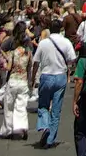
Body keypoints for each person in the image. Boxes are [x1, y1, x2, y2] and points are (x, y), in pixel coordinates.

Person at [31, 20, 75, 148]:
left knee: (43, 105)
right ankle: (50, 140)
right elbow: (72, 59)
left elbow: (36, 63)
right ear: (61, 28)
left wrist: (33, 78)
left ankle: (44, 126)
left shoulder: (43, 43)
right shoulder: (66, 42)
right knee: (56, 110)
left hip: (46, 75)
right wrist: (68, 70)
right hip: (60, 76)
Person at [0, 42, 31, 140]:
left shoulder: (13, 52)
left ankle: (8, 130)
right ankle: (22, 127)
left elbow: (8, 67)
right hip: (23, 81)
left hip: (13, 80)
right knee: (21, 106)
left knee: (9, 107)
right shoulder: (28, 52)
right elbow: (30, 67)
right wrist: (30, 81)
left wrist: (4, 65)